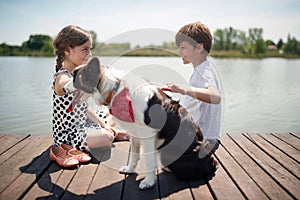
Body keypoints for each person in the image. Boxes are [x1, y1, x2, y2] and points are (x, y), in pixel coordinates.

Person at [50, 25, 128, 168]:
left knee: (112, 113)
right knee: (107, 137)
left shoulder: (77, 71)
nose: (89, 54)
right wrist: (82, 80)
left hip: (84, 122)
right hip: (69, 134)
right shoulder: (62, 77)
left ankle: (106, 131)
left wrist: (104, 125)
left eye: (90, 49)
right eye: (85, 49)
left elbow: (85, 109)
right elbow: (65, 85)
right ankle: (107, 135)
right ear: (68, 50)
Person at [167, 21, 222, 163]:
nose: (179, 52)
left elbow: (215, 97)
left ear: (198, 47)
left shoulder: (205, 70)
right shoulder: (201, 69)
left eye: (183, 48)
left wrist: (183, 89)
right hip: (196, 134)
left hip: (203, 139)